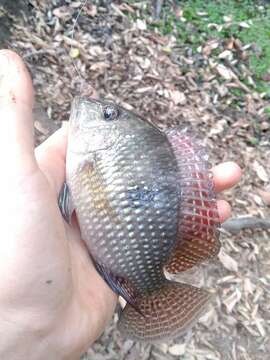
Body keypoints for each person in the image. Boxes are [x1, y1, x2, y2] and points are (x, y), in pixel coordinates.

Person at [0, 50, 242, 359]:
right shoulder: (88, 153)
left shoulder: (87, 156)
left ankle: (151, 287)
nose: (94, 110)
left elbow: (73, 196)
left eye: (108, 115)